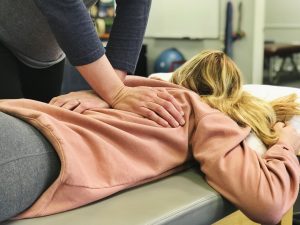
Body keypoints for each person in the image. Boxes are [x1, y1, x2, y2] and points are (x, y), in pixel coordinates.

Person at [0, 50, 299, 224]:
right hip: (36, 148)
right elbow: (268, 202)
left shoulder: (124, 91)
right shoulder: (200, 111)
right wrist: (287, 142)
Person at [0, 0, 185, 128]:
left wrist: (107, 92)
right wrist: (116, 93)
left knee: (42, 135)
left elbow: (135, 4)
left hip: (45, 55)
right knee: (9, 140)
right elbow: (62, 5)